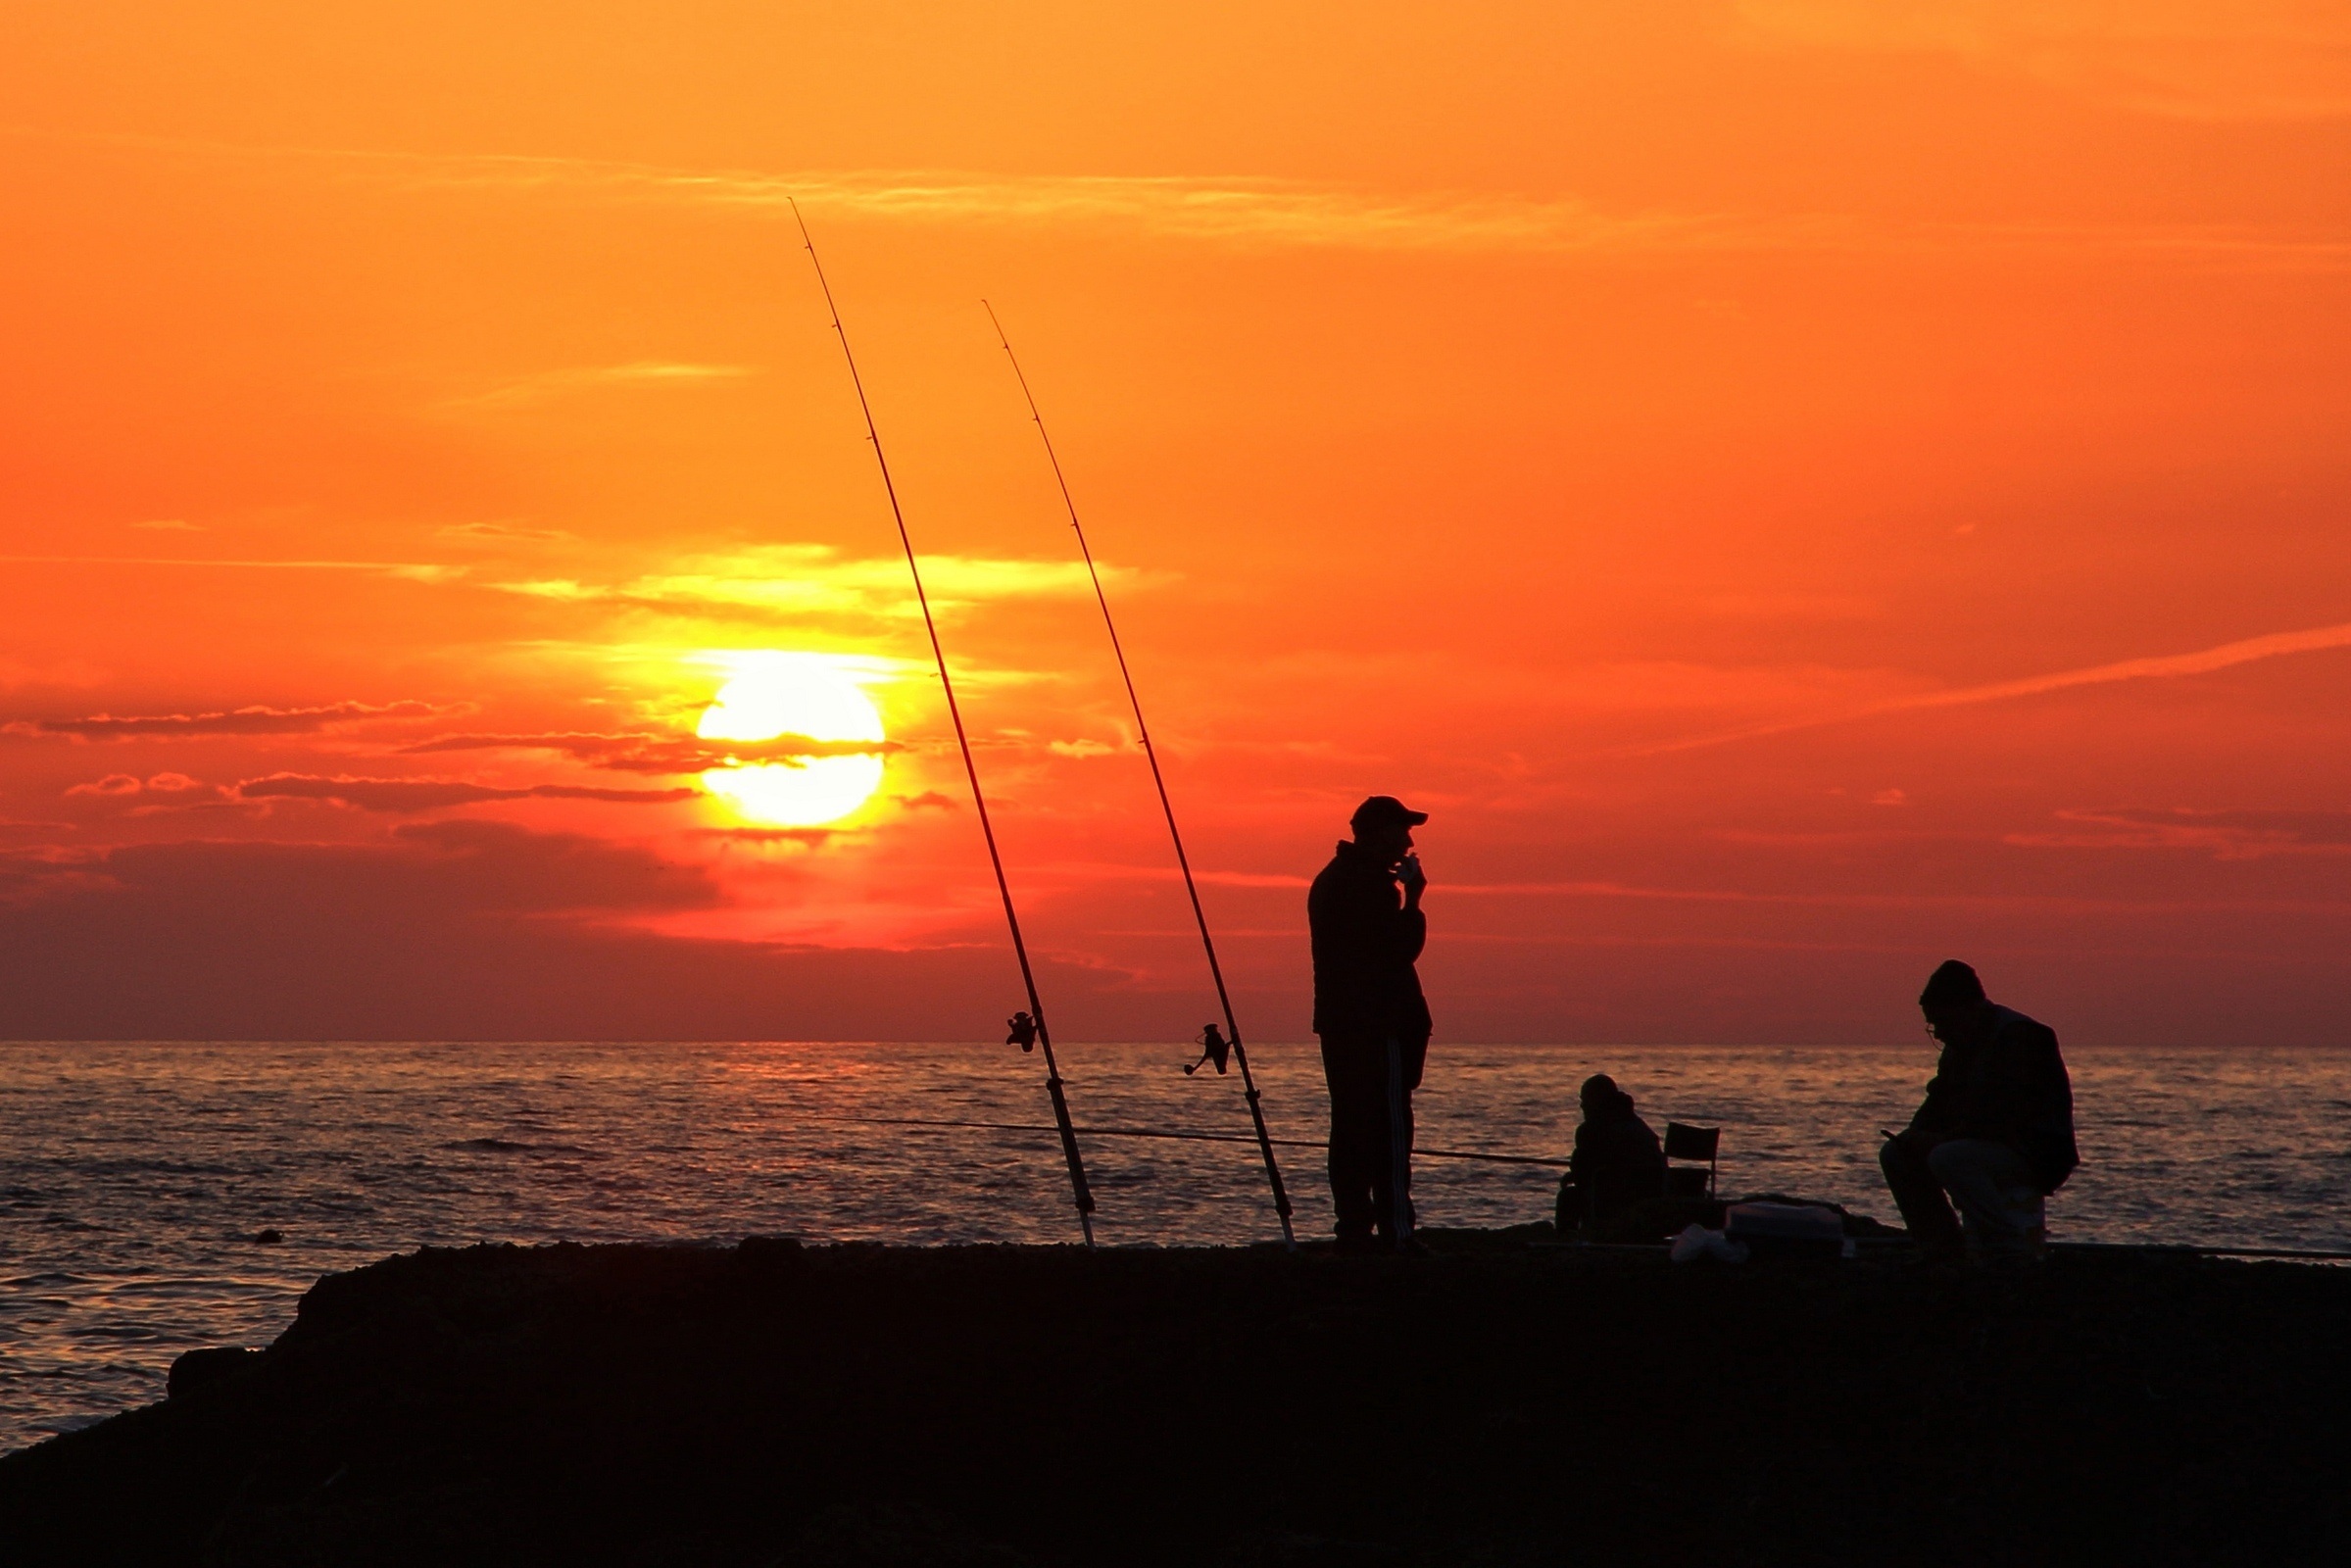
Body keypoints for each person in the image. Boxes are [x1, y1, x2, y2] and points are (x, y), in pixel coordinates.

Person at [1880, 959, 2080, 1263]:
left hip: (2033, 1151)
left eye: (1941, 1023)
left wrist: (1941, 1139)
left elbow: (2004, 1117)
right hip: (1982, 1143)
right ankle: (1941, 1246)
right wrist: (1914, 1135)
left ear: (1967, 1009)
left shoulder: (2021, 1038)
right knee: (1896, 1155)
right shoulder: (1960, 1045)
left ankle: (2007, 1246)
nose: (1939, 1034)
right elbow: (1937, 1100)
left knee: (1949, 1157)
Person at [1307, 795, 1432, 1253]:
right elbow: (1397, 951)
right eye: (1401, 831)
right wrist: (1414, 899)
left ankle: (1353, 1228)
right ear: (1379, 834)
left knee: (1350, 1126)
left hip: (1341, 1025)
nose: (1408, 841)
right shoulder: (1370, 887)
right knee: (1390, 1128)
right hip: (1378, 1025)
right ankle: (1397, 1232)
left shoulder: (1333, 880)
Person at [1553, 1074, 1667, 1240]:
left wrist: (1576, 1176)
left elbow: (1583, 1171)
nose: (1582, 1105)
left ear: (1596, 1101)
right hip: (1649, 1196)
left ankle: (1566, 1241)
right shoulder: (1638, 1125)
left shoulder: (1591, 1130)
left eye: (1585, 1099)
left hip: (1614, 1198)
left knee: (1568, 1196)